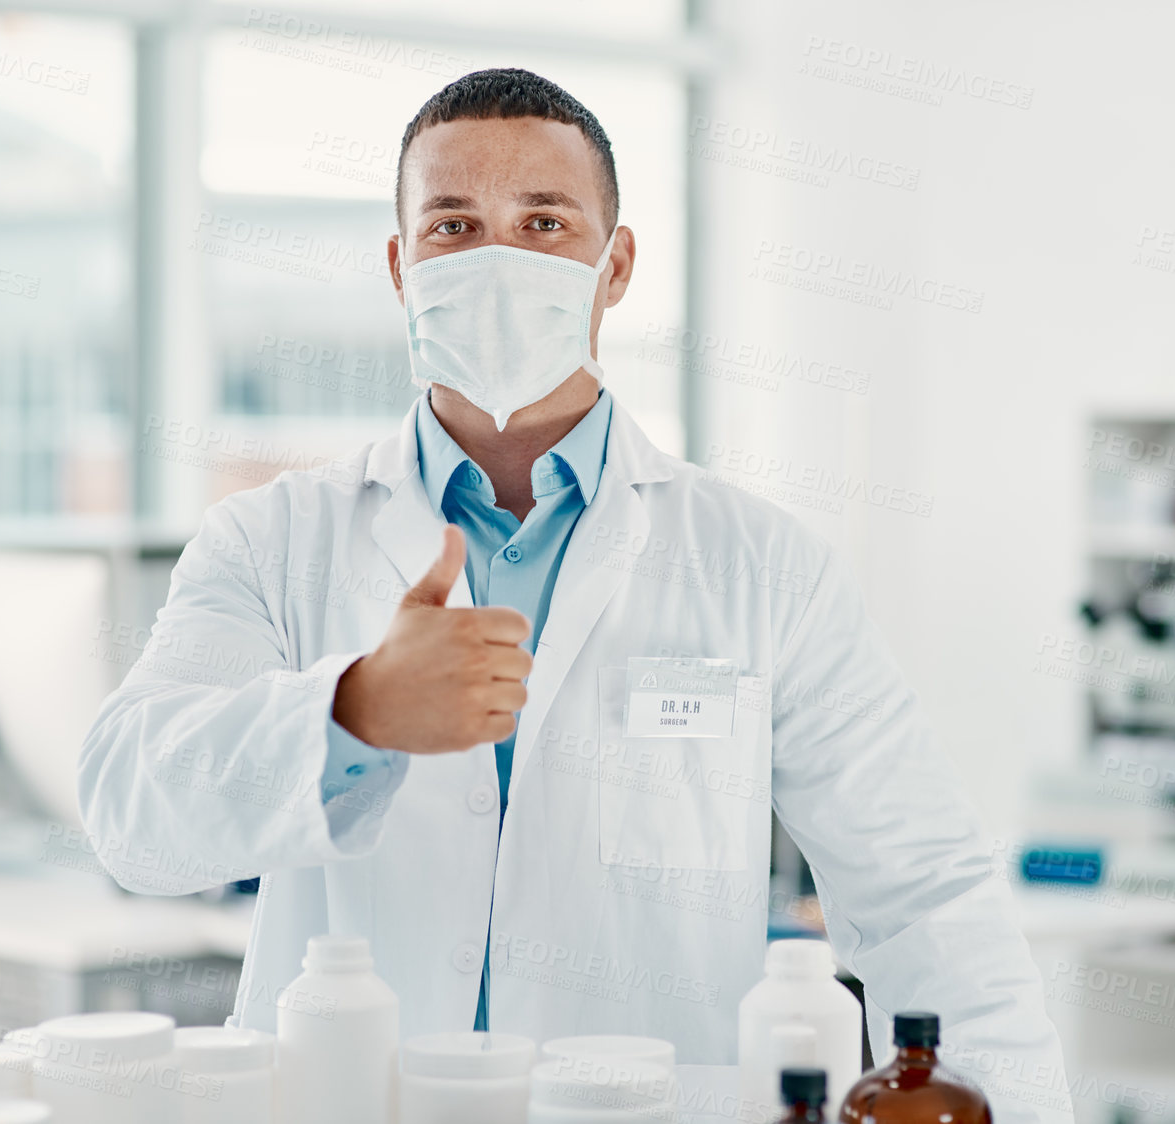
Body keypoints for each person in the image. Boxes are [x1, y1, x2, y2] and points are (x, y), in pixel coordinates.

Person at [77, 68, 1072, 1123]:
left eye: (543, 222)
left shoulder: (763, 565)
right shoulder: (272, 539)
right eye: (453, 225)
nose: (499, 259)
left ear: (616, 264)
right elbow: (133, 819)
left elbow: (923, 889)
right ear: (399, 266)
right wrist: (354, 712)